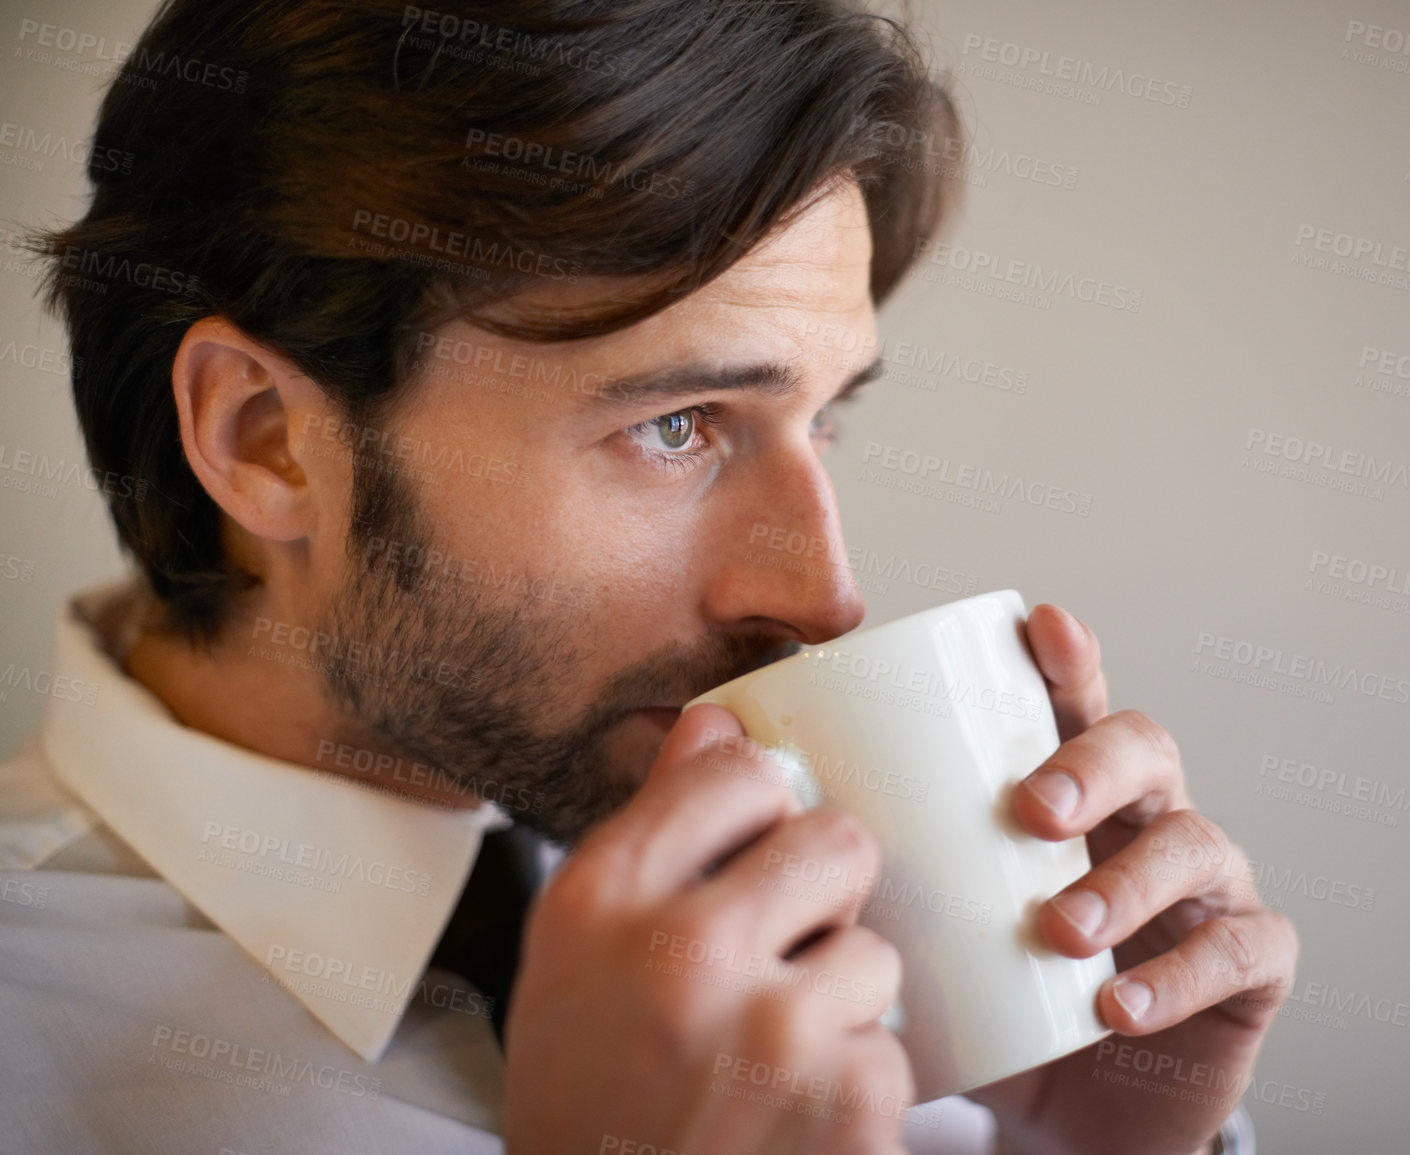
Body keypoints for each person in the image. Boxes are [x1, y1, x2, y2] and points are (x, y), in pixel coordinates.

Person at [0, 1, 1296, 1151]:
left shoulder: (921, 988)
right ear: (266, 441)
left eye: (822, 418)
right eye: (676, 426)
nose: (826, 597)